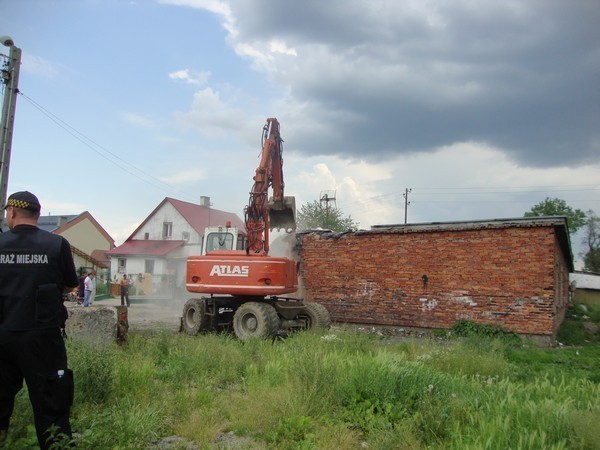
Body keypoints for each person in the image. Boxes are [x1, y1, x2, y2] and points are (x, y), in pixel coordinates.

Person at [0, 191, 78, 449]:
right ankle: (54, 444)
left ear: (11, 212)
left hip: (2, 335)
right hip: (43, 338)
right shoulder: (56, 245)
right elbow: (69, 284)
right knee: (52, 403)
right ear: (37, 214)